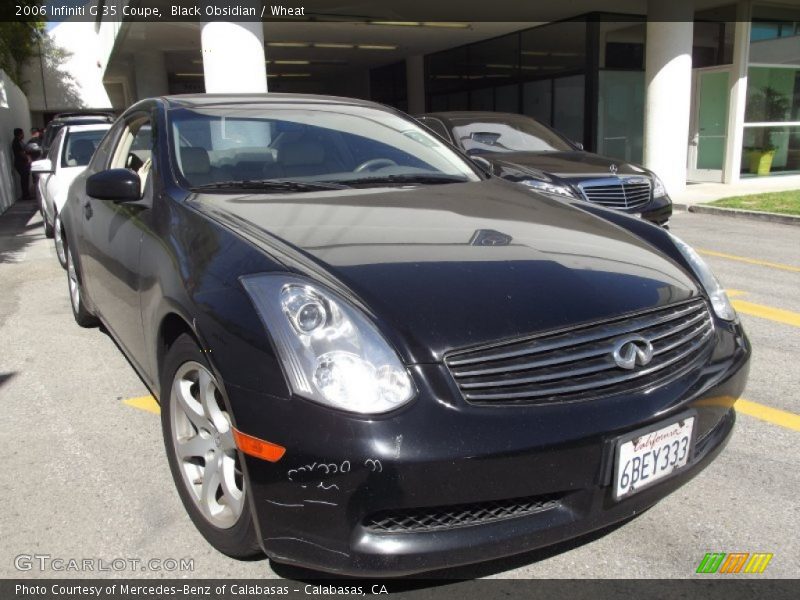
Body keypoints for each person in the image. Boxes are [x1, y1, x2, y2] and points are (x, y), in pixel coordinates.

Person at [12, 128, 33, 201]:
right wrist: (28, 158)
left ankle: (26, 194)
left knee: (25, 179)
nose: (23, 135)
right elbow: (21, 153)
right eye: (22, 133)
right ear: (20, 134)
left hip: (23, 163)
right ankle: (25, 195)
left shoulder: (20, 141)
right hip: (20, 163)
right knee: (24, 179)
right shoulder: (16, 142)